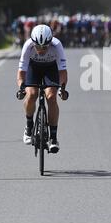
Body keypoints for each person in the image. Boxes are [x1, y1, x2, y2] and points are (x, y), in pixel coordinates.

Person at [16, 24, 68, 154]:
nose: (41, 49)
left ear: (50, 42)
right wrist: (22, 87)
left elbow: (62, 71)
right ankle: (29, 126)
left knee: (51, 97)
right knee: (32, 94)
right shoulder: (28, 46)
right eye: (38, 46)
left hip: (51, 69)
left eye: (45, 46)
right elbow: (21, 72)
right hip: (33, 68)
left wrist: (62, 88)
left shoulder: (57, 45)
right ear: (33, 43)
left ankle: (53, 138)